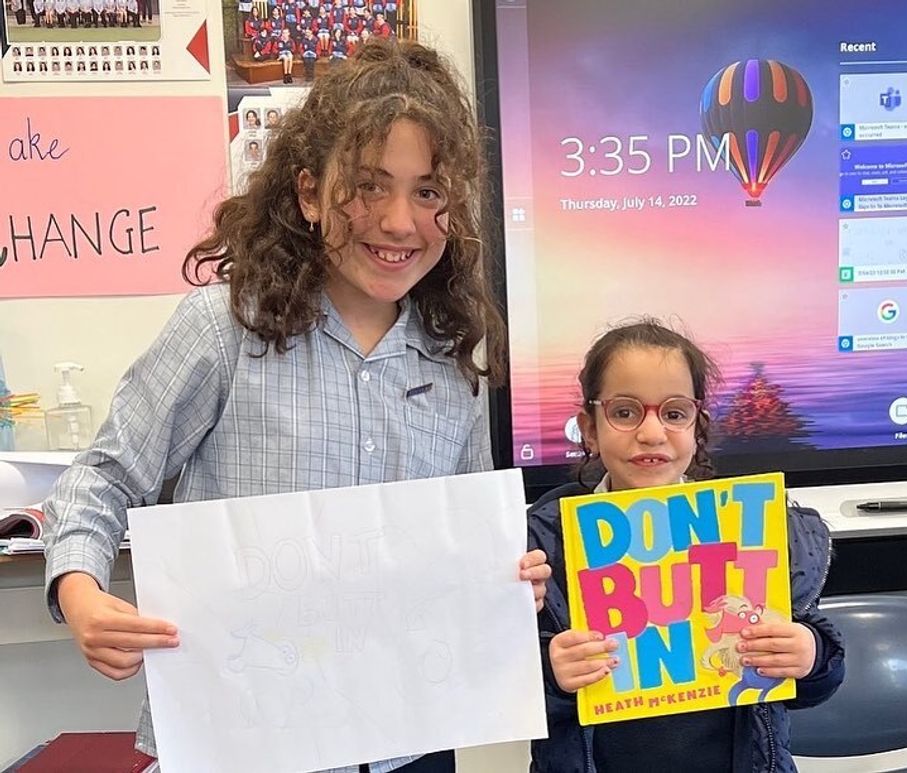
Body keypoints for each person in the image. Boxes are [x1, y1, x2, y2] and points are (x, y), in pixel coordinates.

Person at [43, 39, 549, 773]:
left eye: (428, 192)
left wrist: (509, 578)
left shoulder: (451, 363)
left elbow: (467, 542)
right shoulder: (224, 328)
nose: (399, 221)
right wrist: (81, 592)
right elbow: (104, 477)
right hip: (243, 737)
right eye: (369, 186)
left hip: (408, 739)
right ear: (310, 194)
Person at [527, 320, 845, 773]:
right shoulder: (543, 546)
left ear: (698, 428)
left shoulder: (749, 527)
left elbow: (818, 678)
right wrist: (551, 675)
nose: (651, 433)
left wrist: (809, 654)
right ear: (589, 429)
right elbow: (502, 691)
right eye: (624, 412)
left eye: (675, 414)